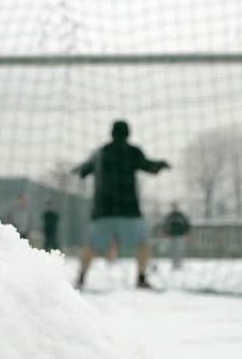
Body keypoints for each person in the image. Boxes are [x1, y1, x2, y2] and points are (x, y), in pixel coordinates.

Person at [72, 120, 170, 290]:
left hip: (103, 210)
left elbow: (83, 171)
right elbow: (149, 167)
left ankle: (80, 279)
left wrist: (79, 170)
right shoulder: (132, 151)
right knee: (143, 244)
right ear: (128, 134)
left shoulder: (101, 152)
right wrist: (161, 164)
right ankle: (141, 278)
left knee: (91, 246)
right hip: (128, 210)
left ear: (111, 133)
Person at [162, 202, 191, 270]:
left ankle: (179, 264)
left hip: (181, 235)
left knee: (180, 250)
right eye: (173, 206)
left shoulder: (181, 215)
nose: (174, 208)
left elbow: (187, 224)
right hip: (172, 236)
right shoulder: (170, 216)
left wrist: (187, 233)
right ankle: (174, 264)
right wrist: (166, 233)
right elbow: (165, 225)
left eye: (175, 206)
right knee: (173, 250)